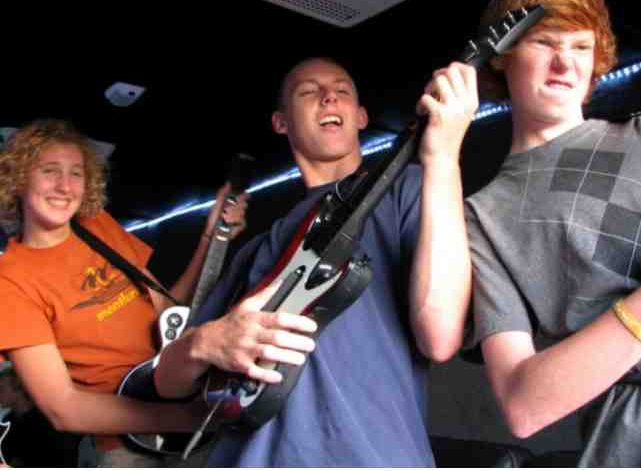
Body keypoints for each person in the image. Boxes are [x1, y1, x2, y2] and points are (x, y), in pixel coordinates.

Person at [153, 56, 474, 466]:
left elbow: (441, 336)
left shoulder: (412, 188)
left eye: (342, 91)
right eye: (309, 92)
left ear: (361, 117)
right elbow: (167, 381)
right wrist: (204, 342)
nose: (328, 97)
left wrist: (443, 158)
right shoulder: (259, 248)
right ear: (281, 122)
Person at [440, 0, 641, 467]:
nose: (565, 62)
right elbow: (522, 405)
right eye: (545, 42)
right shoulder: (482, 219)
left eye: (581, 46)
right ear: (502, 57)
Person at [0, 118, 251, 467]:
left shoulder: (96, 226)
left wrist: (212, 237)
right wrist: (188, 417)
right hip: (128, 447)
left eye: (76, 173)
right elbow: (64, 409)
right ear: (18, 179)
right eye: (49, 171)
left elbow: (170, 313)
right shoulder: (9, 281)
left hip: (190, 404)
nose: (65, 186)